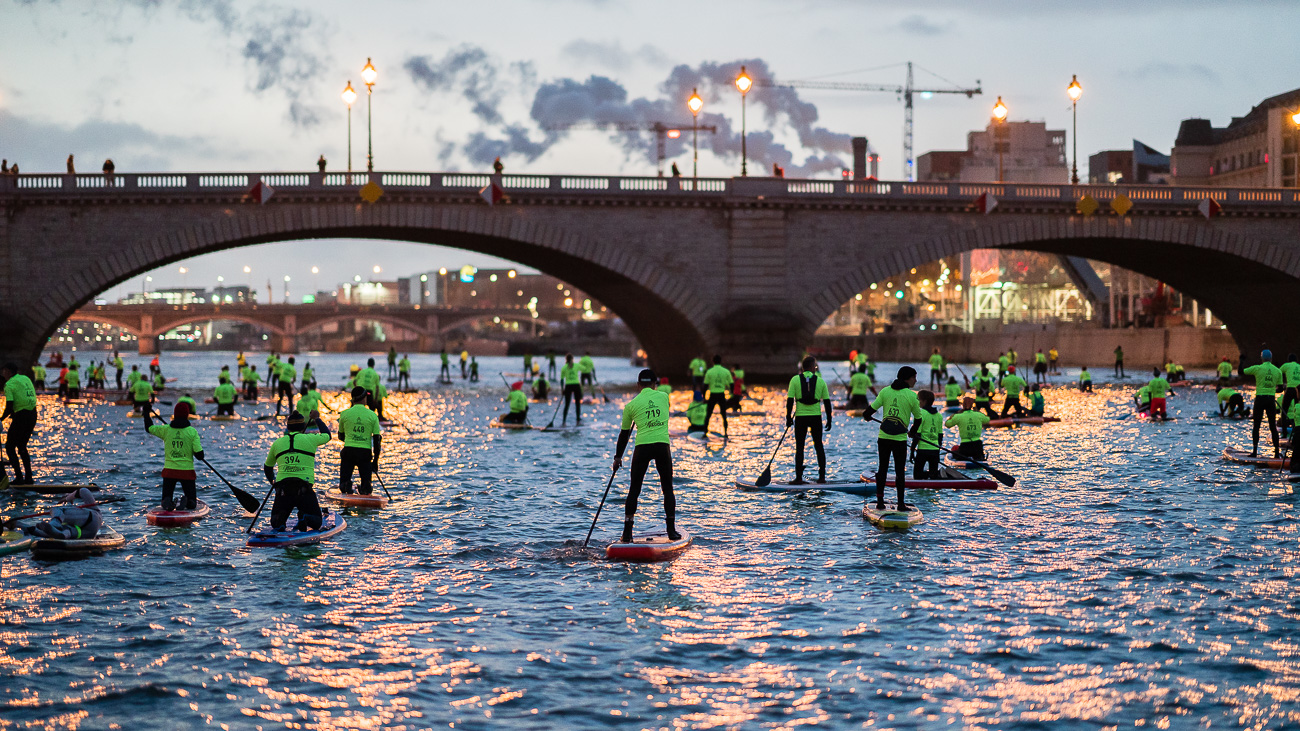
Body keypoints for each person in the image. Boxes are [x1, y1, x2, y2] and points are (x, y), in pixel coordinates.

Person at [612, 369, 678, 542]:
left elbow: (624, 435)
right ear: (655, 384)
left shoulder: (631, 406)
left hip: (643, 447)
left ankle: (627, 533)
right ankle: (671, 530)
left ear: (638, 385)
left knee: (634, 489)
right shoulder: (664, 397)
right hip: (662, 446)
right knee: (667, 488)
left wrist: (617, 458)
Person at [864, 366, 923, 511]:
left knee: (882, 469)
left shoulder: (885, 391)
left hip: (883, 437)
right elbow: (919, 419)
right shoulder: (911, 396)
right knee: (899, 472)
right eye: (914, 377)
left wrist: (867, 417)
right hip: (899, 439)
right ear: (907, 378)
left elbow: (868, 412)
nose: (916, 380)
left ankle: (879, 502)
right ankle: (901, 505)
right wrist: (912, 432)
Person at [263, 410, 332, 532]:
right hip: (303, 490)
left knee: (275, 523)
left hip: (283, 490)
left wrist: (273, 483)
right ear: (302, 426)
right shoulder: (311, 439)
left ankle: (280, 522)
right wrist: (317, 419)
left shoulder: (277, 443)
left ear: (288, 427)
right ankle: (304, 518)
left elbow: (268, 467)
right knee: (316, 522)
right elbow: (327, 435)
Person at [143, 403, 203, 511]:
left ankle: (167, 501)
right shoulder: (192, 432)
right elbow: (199, 455)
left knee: (166, 497)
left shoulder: (166, 430)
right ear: (187, 415)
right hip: (187, 472)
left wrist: (146, 413)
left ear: (174, 415)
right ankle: (188, 502)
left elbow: (149, 428)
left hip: (169, 472)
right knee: (193, 503)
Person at [785, 356, 833, 485]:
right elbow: (827, 403)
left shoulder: (795, 380)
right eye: (815, 367)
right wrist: (829, 419)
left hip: (800, 417)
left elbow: (790, 401)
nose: (816, 368)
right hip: (815, 417)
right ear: (812, 367)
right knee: (819, 446)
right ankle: (822, 477)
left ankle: (799, 478)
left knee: (799, 447)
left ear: (802, 368)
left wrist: (788, 417)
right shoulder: (821, 381)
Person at [338, 386, 383, 495]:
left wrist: (351, 438)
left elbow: (340, 436)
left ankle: (346, 485)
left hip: (348, 451)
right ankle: (365, 487)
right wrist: (375, 461)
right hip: (365, 454)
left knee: (343, 485)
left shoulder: (344, 414)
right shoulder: (373, 415)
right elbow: (377, 441)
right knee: (367, 488)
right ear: (363, 398)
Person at [1, 363, 38, 486]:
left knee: (10, 447)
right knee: (22, 446)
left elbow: (9, 406)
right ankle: (29, 478)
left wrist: (0, 419)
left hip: (22, 416)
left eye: (4, 371)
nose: (2, 374)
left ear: (9, 372)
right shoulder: (25, 378)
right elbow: (24, 396)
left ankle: (19, 478)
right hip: (33, 414)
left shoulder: (9, 385)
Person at [20, 488, 104, 539]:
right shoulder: (96, 517)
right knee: (66, 531)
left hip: (92, 518)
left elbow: (83, 491)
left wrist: (67, 498)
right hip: (88, 533)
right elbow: (83, 491)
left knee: (57, 509)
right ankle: (28, 528)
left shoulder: (95, 510)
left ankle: (54, 524)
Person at [1243, 350, 1283, 457]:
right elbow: (1280, 389)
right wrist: (1271, 391)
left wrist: (1242, 361)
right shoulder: (1278, 371)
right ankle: (1277, 454)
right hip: (1270, 400)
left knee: (1256, 426)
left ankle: (1255, 452)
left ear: (1262, 359)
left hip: (1260, 399)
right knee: (1272, 427)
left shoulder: (1257, 368)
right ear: (1271, 358)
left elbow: (1242, 372)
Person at [909, 390, 943, 479]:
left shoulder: (920, 413)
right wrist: (938, 450)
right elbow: (940, 436)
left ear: (924, 401)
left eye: (918, 399)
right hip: (935, 450)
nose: (917, 402)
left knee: (917, 476)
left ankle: (931, 474)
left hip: (923, 450)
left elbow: (918, 435)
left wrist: (912, 451)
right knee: (933, 477)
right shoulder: (939, 415)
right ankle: (933, 474)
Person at [946, 397, 991, 463]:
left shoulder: (958, 416)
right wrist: (978, 412)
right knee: (979, 458)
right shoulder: (979, 415)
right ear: (972, 404)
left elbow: (947, 424)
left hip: (965, 447)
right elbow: (987, 420)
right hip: (977, 446)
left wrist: (953, 416)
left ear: (963, 405)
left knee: (954, 452)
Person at [701, 355, 733, 437]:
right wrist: (731, 395)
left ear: (713, 361)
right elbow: (731, 384)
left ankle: (705, 433)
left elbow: (705, 386)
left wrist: (704, 398)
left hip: (713, 395)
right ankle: (726, 433)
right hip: (721, 395)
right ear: (720, 361)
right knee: (724, 415)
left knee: (708, 415)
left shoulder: (709, 371)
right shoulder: (726, 371)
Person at [560, 353, 584, 425]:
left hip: (570, 386)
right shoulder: (575, 365)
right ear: (572, 359)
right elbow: (584, 369)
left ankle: (565, 422)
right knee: (574, 404)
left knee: (571, 404)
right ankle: (576, 421)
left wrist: (562, 389)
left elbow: (561, 380)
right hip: (574, 385)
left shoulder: (565, 367)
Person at [1280, 354, 1300, 433]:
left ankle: (1284, 433)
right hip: (1299, 390)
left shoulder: (1286, 365)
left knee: (1284, 411)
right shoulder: (1299, 366)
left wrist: (1280, 384)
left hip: (1290, 389)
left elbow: (1278, 372)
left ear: (1289, 360)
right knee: (1297, 411)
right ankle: (1296, 431)